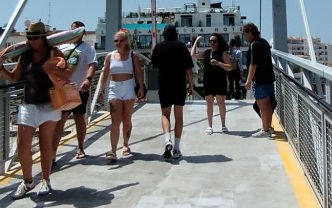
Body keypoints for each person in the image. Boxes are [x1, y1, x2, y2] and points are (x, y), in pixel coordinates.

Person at [0, 22, 65, 199]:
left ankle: (45, 179)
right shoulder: (25, 56)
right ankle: (27, 181)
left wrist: (53, 69)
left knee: (45, 144)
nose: (32, 40)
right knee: (22, 145)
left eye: (35, 37)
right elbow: (13, 77)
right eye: (29, 37)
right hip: (28, 104)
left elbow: (67, 75)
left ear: (43, 37)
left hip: (49, 105)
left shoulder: (54, 53)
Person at [52, 21, 97, 162]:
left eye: (78, 30)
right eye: (73, 30)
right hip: (64, 89)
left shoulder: (88, 49)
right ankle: (52, 153)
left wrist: (88, 79)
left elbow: (91, 65)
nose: (75, 32)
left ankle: (80, 147)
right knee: (60, 121)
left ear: (83, 33)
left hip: (78, 88)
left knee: (79, 118)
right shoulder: (62, 47)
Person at [99, 30, 146, 162]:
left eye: (121, 40)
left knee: (127, 119)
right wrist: (101, 89)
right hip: (114, 88)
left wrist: (141, 87)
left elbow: (138, 71)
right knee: (115, 121)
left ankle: (125, 144)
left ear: (126, 41)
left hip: (129, 87)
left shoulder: (133, 55)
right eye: (116, 41)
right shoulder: (110, 56)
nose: (118, 43)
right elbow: (105, 73)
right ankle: (113, 150)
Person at [151, 25, 195, 160]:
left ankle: (167, 140)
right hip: (179, 84)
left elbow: (155, 65)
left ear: (164, 34)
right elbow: (189, 69)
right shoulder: (181, 47)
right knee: (179, 116)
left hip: (164, 84)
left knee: (165, 114)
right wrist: (191, 85)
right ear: (176, 34)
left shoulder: (158, 47)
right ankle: (176, 148)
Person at [192, 33, 233, 135]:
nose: (212, 43)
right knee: (209, 103)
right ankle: (210, 126)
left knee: (221, 103)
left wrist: (219, 63)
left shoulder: (222, 53)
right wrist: (196, 42)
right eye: (210, 41)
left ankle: (223, 125)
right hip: (208, 80)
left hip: (220, 80)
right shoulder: (206, 52)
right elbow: (192, 55)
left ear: (218, 42)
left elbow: (230, 67)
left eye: (214, 41)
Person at [243, 23, 275, 137]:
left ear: (250, 33)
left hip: (260, 79)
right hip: (268, 77)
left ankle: (265, 129)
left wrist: (248, 80)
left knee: (262, 103)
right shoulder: (264, 42)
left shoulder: (254, 45)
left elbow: (253, 64)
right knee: (268, 103)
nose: (245, 37)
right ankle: (268, 126)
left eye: (245, 34)